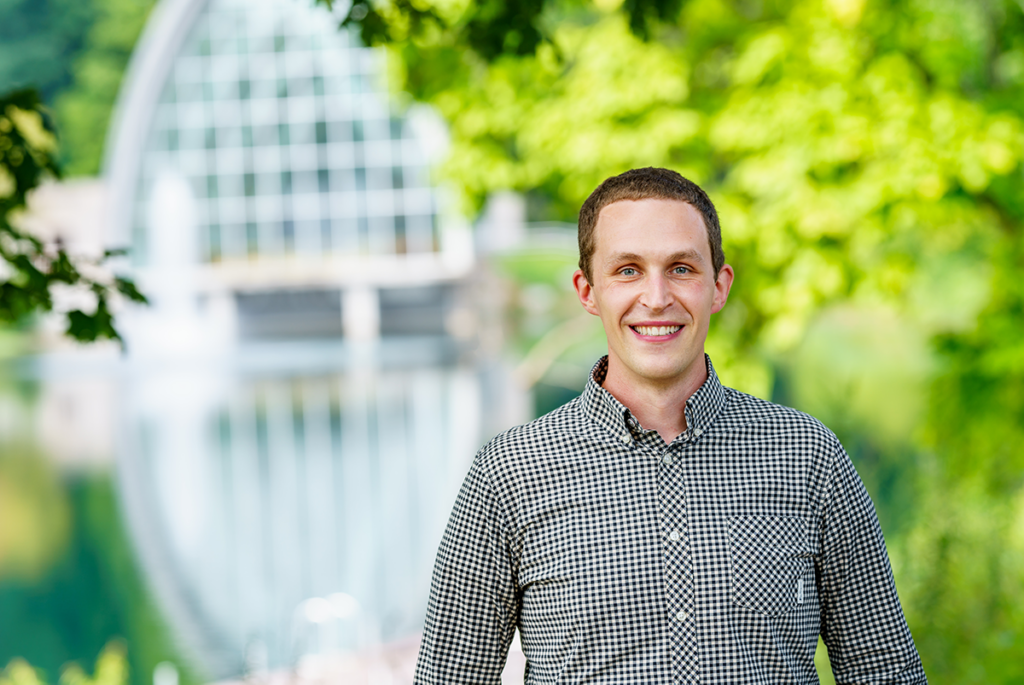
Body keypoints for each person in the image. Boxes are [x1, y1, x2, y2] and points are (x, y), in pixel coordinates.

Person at [414, 167, 927, 684]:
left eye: (681, 269)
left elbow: (884, 671)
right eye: (628, 270)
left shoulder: (807, 455)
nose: (656, 298)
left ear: (719, 286)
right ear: (588, 291)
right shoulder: (509, 472)